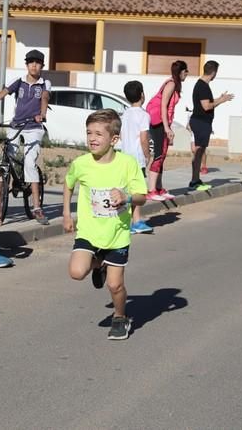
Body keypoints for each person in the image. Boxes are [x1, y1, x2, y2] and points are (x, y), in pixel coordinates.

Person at [63, 109, 147, 340]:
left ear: (114, 139)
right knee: (76, 271)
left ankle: (120, 317)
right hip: (89, 231)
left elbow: (142, 196)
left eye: (99, 134)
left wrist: (127, 196)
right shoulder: (81, 164)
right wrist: (66, 214)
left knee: (115, 286)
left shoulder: (127, 164)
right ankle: (99, 263)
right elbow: (69, 184)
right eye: (89, 132)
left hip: (117, 234)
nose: (92, 138)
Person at [0, 49, 50, 225]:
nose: (34, 65)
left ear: (42, 66)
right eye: (31, 62)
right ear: (26, 64)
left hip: (34, 127)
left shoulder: (44, 83)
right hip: (16, 125)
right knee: (6, 159)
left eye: (37, 62)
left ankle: (37, 207)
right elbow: (0, 95)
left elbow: (45, 98)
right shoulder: (19, 81)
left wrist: (42, 114)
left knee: (30, 162)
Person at [188, 60, 233, 191]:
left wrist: (219, 98)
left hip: (203, 122)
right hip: (200, 122)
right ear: (213, 72)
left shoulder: (202, 85)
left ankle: (196, 179)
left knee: (200, 151)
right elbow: (206, 106)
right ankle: (194, 180)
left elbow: (207, 103)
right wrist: (221, 100)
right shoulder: (202, 86)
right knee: (198, 151)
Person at [146, 60, 188, 201]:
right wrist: (166, 127)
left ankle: (158, 188)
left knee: (162, 156)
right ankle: (151, 190)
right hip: (159, 123)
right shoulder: (171, 84)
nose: (187, 74)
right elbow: (163, 106)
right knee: (158, 155)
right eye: (186, 71)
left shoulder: (174, 84)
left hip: (163, 122)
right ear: (181, 72)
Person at [119, 80, 153, 234]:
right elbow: (144, 138)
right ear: (142, 95)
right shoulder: (144, 115)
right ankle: (137, 221)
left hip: (125, 155)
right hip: (137, 157)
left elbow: (120, 134)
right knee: (138, 190)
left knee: (129, 188)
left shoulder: (124, 114)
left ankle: (130, 220)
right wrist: (148, 155)